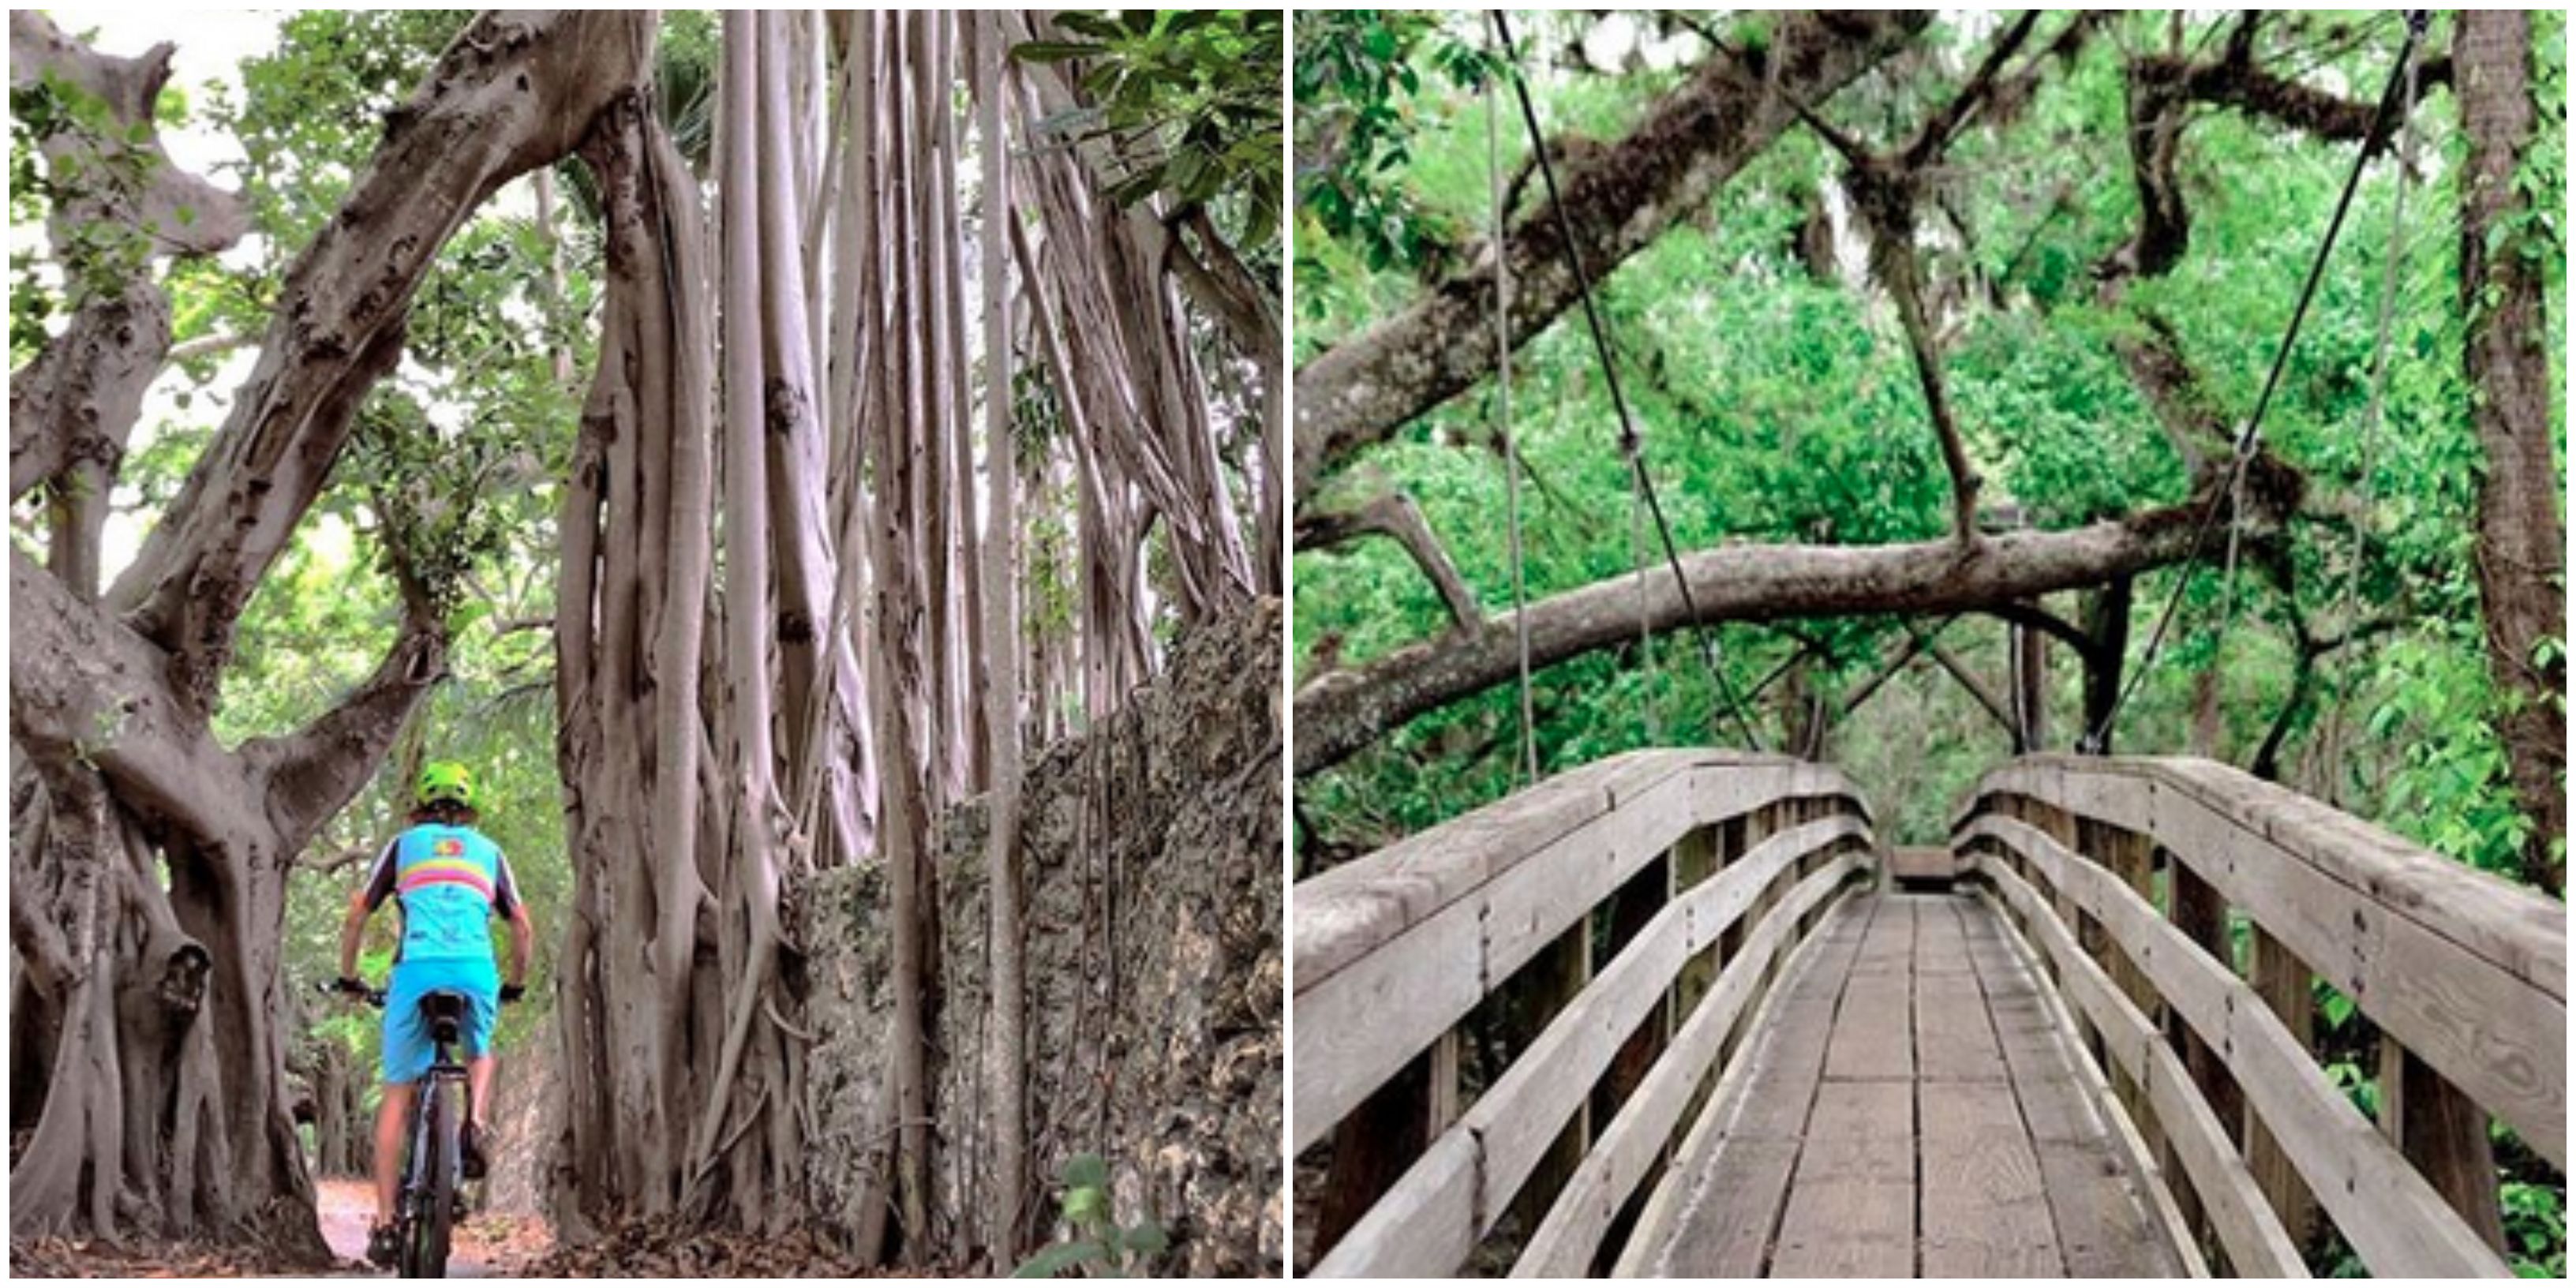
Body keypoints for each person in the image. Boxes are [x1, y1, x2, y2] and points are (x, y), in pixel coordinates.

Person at [335, 759, 532, 1267]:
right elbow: (522, 925)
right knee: (480, 1051)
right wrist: (515, 982)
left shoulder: (403, 847)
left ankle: (383, 1223)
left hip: (416, 970)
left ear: (420, 806)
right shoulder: (491, 854)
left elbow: (359, 912)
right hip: (475, 970)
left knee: (398, 1094)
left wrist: (350, 976)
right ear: (469, 809)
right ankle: (476, 1120)